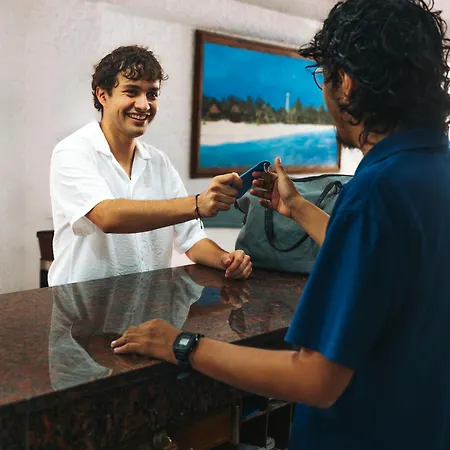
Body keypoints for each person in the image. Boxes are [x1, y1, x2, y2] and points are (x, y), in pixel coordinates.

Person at [111, 0, 450, 448]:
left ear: (346, 83)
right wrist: (298, 207)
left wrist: (183, 345)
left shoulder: (375, 193)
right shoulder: (433, 170)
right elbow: (381, 257)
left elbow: (315, 378)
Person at [48, 45, 252, 286]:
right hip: (83, 304)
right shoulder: (73, 151)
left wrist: (226, 260)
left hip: (148, 300)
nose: (144, 105)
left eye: (152, 94)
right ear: (102, 95)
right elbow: (107, 216)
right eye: (131, 92)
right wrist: (197, 203)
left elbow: (191, 239)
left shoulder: (159, 162)